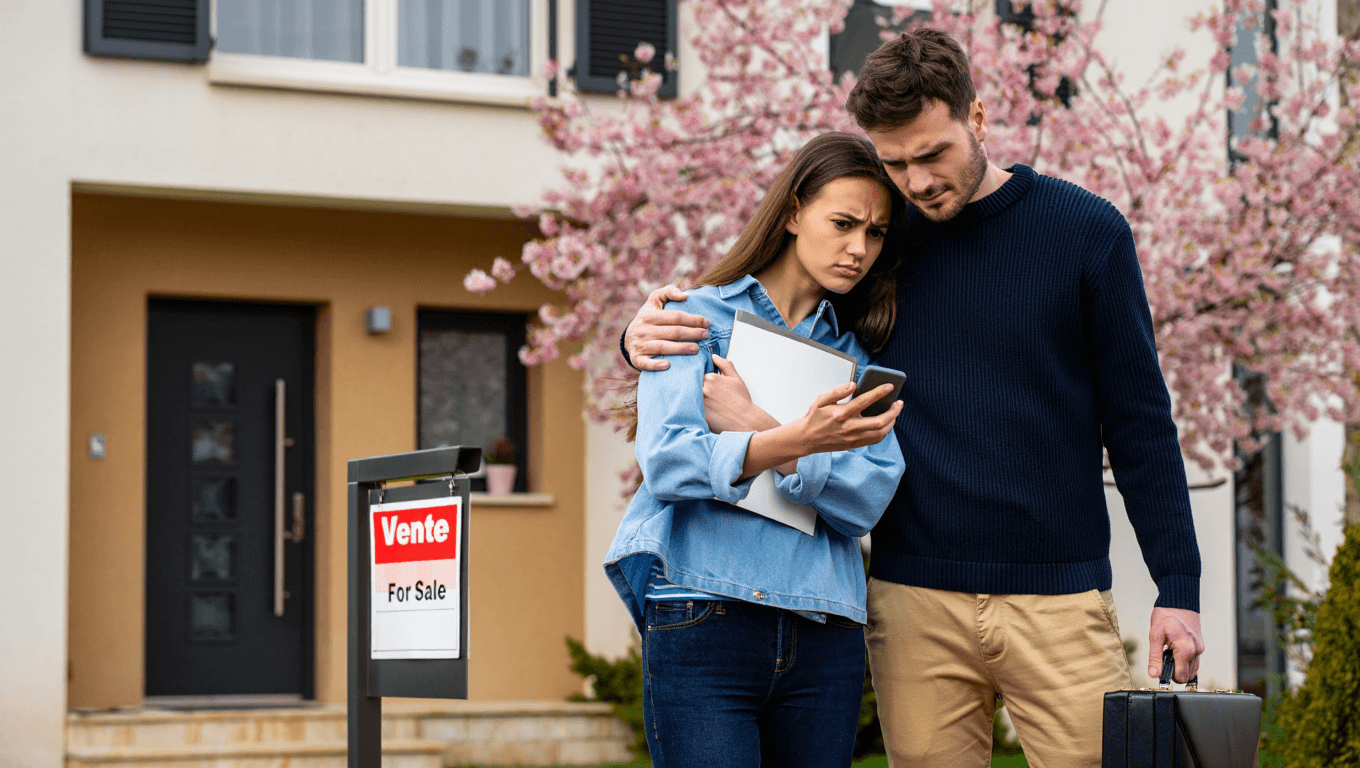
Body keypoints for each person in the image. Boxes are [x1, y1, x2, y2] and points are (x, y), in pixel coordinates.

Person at [620, 29, 1205, 768]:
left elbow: (1142, 425)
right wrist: (640, 333)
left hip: (1058, 600)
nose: (917, 182)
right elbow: (773, 307)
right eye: (894, 163)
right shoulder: (877, 248)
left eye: (933, 155)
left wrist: (1177, 585)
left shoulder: (1086, 233)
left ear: (979, 118)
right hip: (912, 601)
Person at [604, 132, 907, 768]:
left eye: (875, 233)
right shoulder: (693, 319)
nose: (858, 249)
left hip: (825, 631)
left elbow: (866, 502)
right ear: (794, 212)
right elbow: (668, 462)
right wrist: (803, 445)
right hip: (704, 614)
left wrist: (757, 429)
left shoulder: (857, 363)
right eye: (843, 222)